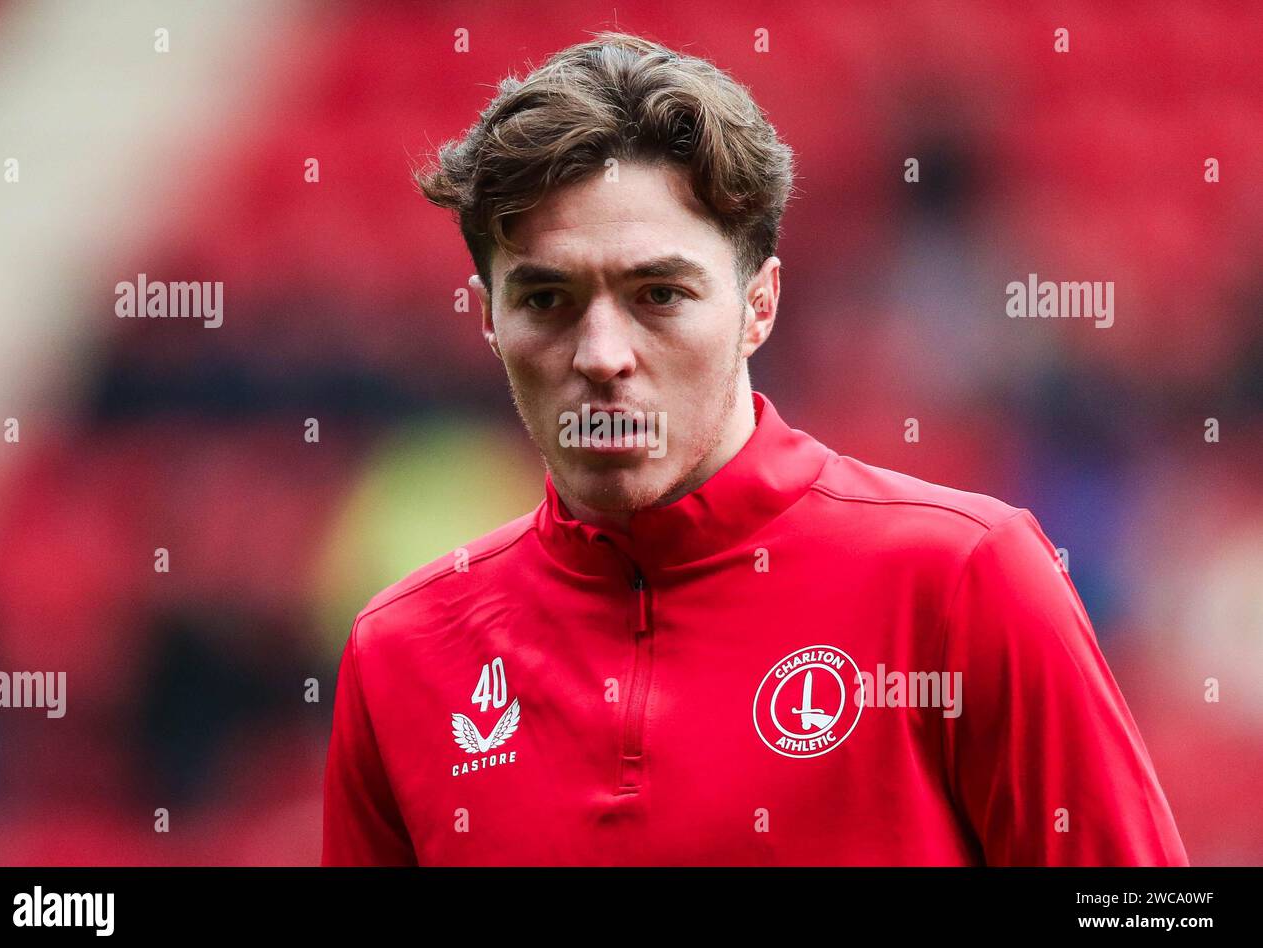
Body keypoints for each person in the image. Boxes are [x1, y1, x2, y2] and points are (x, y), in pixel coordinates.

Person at [321, 31, 1187, 866]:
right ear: (486, 318)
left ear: (759, 305)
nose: (601, 355)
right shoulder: (402, 653)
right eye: (547, 300)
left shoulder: (963, 578)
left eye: (659, 294)